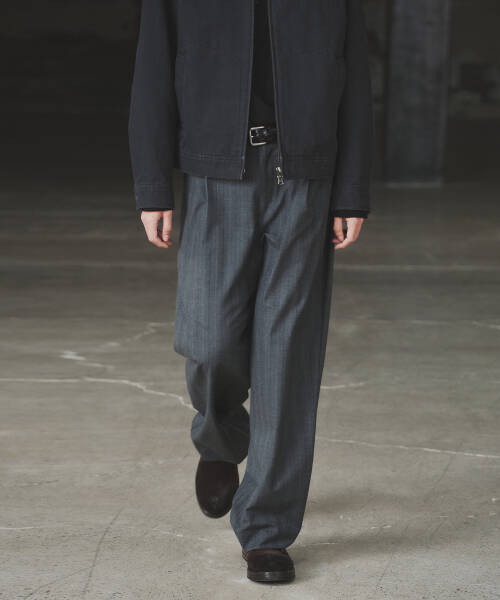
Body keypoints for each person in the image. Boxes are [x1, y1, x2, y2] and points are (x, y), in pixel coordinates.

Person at [128, 0, 373, 584]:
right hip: (218, 172)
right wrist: (152, 184)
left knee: (287, 355)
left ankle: (266, 530)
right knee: (209, 340)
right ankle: (219, 439)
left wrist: (351, 191)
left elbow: (356, 77)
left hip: (305, 176)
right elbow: (154, 71)